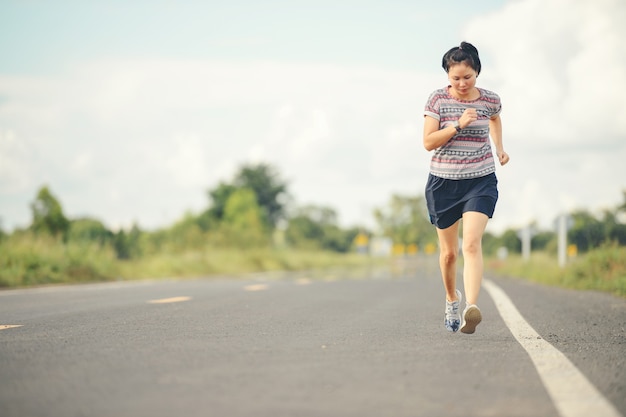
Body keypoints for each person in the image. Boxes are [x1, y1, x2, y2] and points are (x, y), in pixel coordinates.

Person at [423, 41, 509, 334]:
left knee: (471, 244)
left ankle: (471, 306)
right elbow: (428, 143)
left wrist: (499, 149)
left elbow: (495, 118)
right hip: (443, 183)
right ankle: (451, 299)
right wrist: (458, 125)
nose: (461, 83)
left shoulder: (489, 100)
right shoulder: (437, 100)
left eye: (467, 77)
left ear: (477, 73)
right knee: (449, 254)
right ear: (447, 75)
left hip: (480, 179)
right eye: (455, 77)